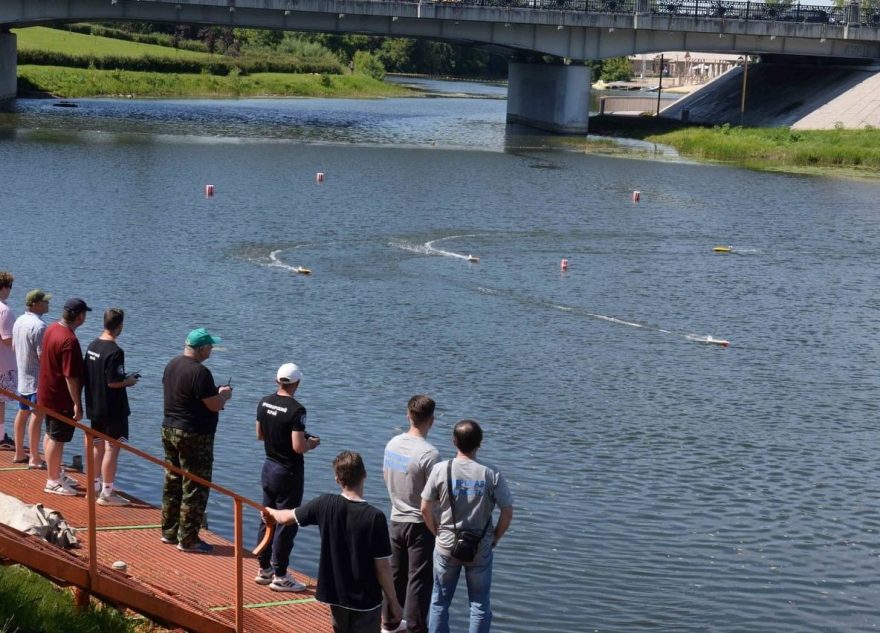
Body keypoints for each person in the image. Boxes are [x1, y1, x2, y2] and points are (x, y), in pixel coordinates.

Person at [263, 451, 403, 633]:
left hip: (335, 595)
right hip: (365, 600)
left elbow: (286, 517)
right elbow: (382, 566)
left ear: (337, 479)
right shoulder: (374, 517)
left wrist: (270, 512)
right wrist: (393, 601)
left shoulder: (325, 504)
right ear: (365, 475)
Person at [420, 420, 514, 633]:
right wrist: (495, 537)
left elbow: (425, 508)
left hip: (446, 544)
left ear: (454, 441)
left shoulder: (440, 469)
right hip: (480, 547)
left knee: (439, 602)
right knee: (479, 604)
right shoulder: (491, 473)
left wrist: (437, 532)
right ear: (479, 443)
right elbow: (507, 512)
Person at [160, 327, 232, 553]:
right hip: (193, 434)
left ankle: (169, 531)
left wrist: (215, 392)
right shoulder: (200, 372)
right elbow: (213, 404)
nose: (211, 351)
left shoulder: (172, 364)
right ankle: (188, 539)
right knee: (195, 485)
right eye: (210, 347)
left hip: (169, 428)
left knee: (173, 480)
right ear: (200, 348)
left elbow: (189, 395)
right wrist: (224, 395)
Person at [254, 362, 320, 592]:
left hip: (268, 467)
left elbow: (260, 434)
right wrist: (312, 443)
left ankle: (264, 569)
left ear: (277, 381)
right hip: (288, 472)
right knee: (287, 521)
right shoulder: (297, 409)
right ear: (297, 383)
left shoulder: (264, 401)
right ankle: (281, 575)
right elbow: (298, 446)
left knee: (267, 517)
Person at [382, 395, 440, 633]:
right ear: (432, 421)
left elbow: (386, 476)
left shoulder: (392, 444)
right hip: (419, 523)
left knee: (396, 575)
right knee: (419, 580)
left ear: (408, 415)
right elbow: (433, 498)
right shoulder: (430, 454)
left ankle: (390, 622)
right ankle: (416, 628)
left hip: (396, 517)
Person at [84, 308, 138, 507]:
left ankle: (94, 486)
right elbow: (113, 382)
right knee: (112, 448)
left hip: (94, 406)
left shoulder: (92, 346)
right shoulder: (115, 351)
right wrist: (129, 381)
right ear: (120, 326)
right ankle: (107, 493)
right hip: (113, 409)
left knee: (97, 447)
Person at [38, 297, 92, 496]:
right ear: (79, 316)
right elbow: (70, 376)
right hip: (60, 398)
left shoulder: (52, 328)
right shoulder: (70, 340)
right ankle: (52, 481)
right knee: (57, 439)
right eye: (84, 314)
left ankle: (55, 473)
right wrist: (77, 404)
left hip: (46, 392)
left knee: (50, 434)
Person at [11, 289, 51, 467]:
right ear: (35, 304)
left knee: (22, 412)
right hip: (36, 380)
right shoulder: (40, 326)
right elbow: (43, 356)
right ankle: (35, 457)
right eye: (45, 302)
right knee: (37, 414)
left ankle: (19, 452)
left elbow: (13, 347)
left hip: (22, 377)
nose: (48, 304)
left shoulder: (19, 320)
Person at [0, 271, 17, 450]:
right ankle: (0, 437)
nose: (10, 291)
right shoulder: (4, 310)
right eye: (9, 287)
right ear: (3, 287)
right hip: (3, 362)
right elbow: (6, 339)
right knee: (1, 400)